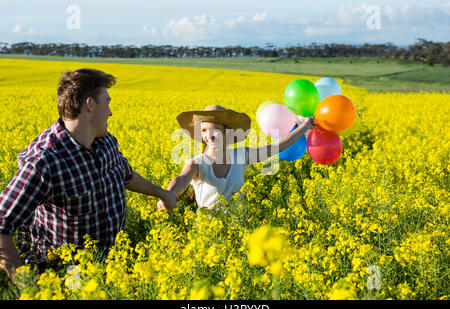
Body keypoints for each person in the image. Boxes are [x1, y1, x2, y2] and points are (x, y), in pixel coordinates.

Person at [0, 68, 177, 282]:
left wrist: (161, 194)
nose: (111, 112)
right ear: (90, 105)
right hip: (67, 275)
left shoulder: (106, 142)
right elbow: (2, 224)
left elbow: (125, 174)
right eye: (107, 103)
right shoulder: (45, 161)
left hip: (112, 264)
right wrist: (27, 288)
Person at [157, 104, 315, 213]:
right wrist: (168, 194)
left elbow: (276, 147)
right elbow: (181, 180)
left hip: (237, 234)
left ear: (226, 132)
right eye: (204, 130)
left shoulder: (241, 156)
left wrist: (305, 126)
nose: (208, 136)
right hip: (208, 237)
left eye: (214, 130)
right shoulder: (197, 163)